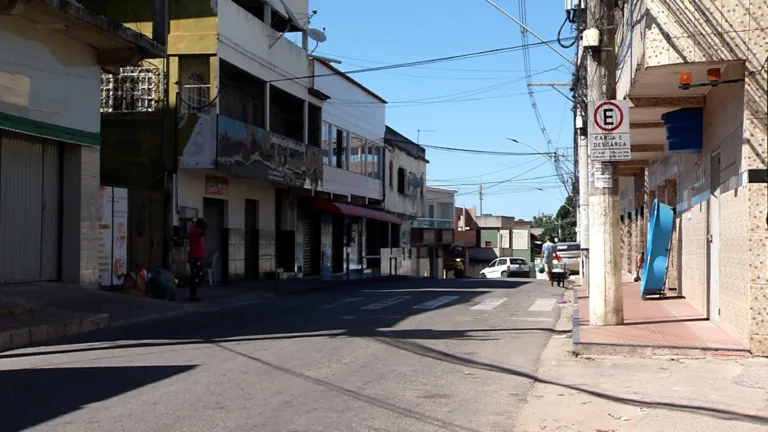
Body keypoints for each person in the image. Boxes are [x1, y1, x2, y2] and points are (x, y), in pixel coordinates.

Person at [187, 218, 207, 301]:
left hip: (196, 256)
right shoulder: (196, 231)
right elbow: (203, 233)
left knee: (196, 275)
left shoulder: (194, 231)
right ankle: (193, 294)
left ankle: (193, 294)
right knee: (197, 276)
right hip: (195, 257)